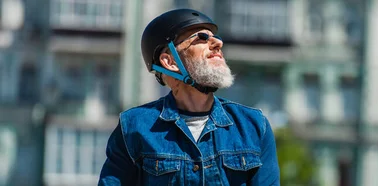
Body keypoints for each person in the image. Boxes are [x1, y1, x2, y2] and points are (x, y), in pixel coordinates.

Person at [98, 8, 280, 186]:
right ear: (169, 61)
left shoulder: (253, 126)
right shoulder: (133, 127)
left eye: (216, 37)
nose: (217, 44)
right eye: (202, 38)